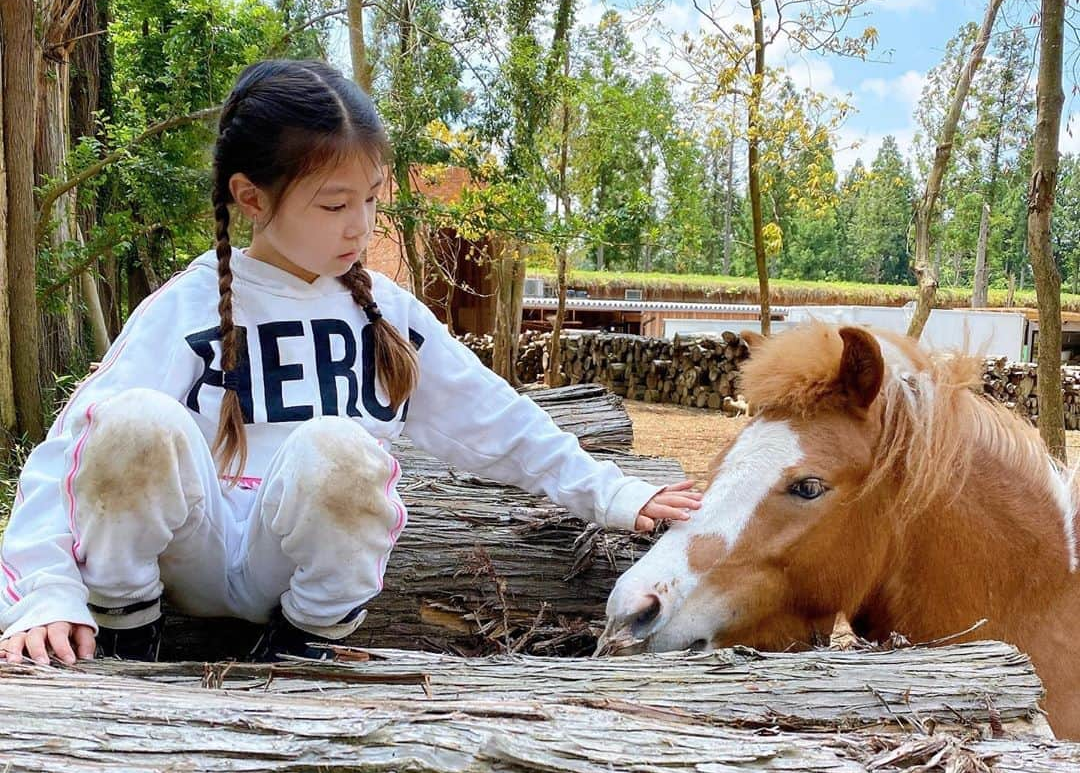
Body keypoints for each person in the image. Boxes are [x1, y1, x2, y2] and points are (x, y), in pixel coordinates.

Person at [0, 58, 700, 667]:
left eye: (371, 200)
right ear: (251, 197)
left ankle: (308, 638)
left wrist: (610, 492)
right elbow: (72, 452)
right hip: (190, 549)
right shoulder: (187, 306)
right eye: (334, 203)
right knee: (131, 424)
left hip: (296, 568)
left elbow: (495, 419)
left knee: (340, 448)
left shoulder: (385, 313)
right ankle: (126, 630)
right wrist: (49, 591)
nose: (360, 226)